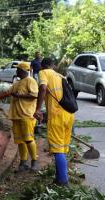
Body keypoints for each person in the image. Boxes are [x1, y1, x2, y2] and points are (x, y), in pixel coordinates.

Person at [0, 62, 39, 172]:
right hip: (16, 116)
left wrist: (19, 95)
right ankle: (23, 163)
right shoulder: (17, 83)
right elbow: (7, 92)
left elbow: (34, 95)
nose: (16, 71)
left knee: (28, 139)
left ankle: (34, 162)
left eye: (18, 69)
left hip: (26, 115)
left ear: (24, 71)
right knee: (20, 141)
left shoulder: (30, 81)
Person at [33, 57, 74, 186]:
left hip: (57, 116)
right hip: (69, 115)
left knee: (57, 150)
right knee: (62, 148)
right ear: (52, 65)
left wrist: (38, 109)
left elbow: (43, 88)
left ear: (43, 66)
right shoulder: (60, 75)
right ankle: (59, 178)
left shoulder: (43, 72)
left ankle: (63, 182)